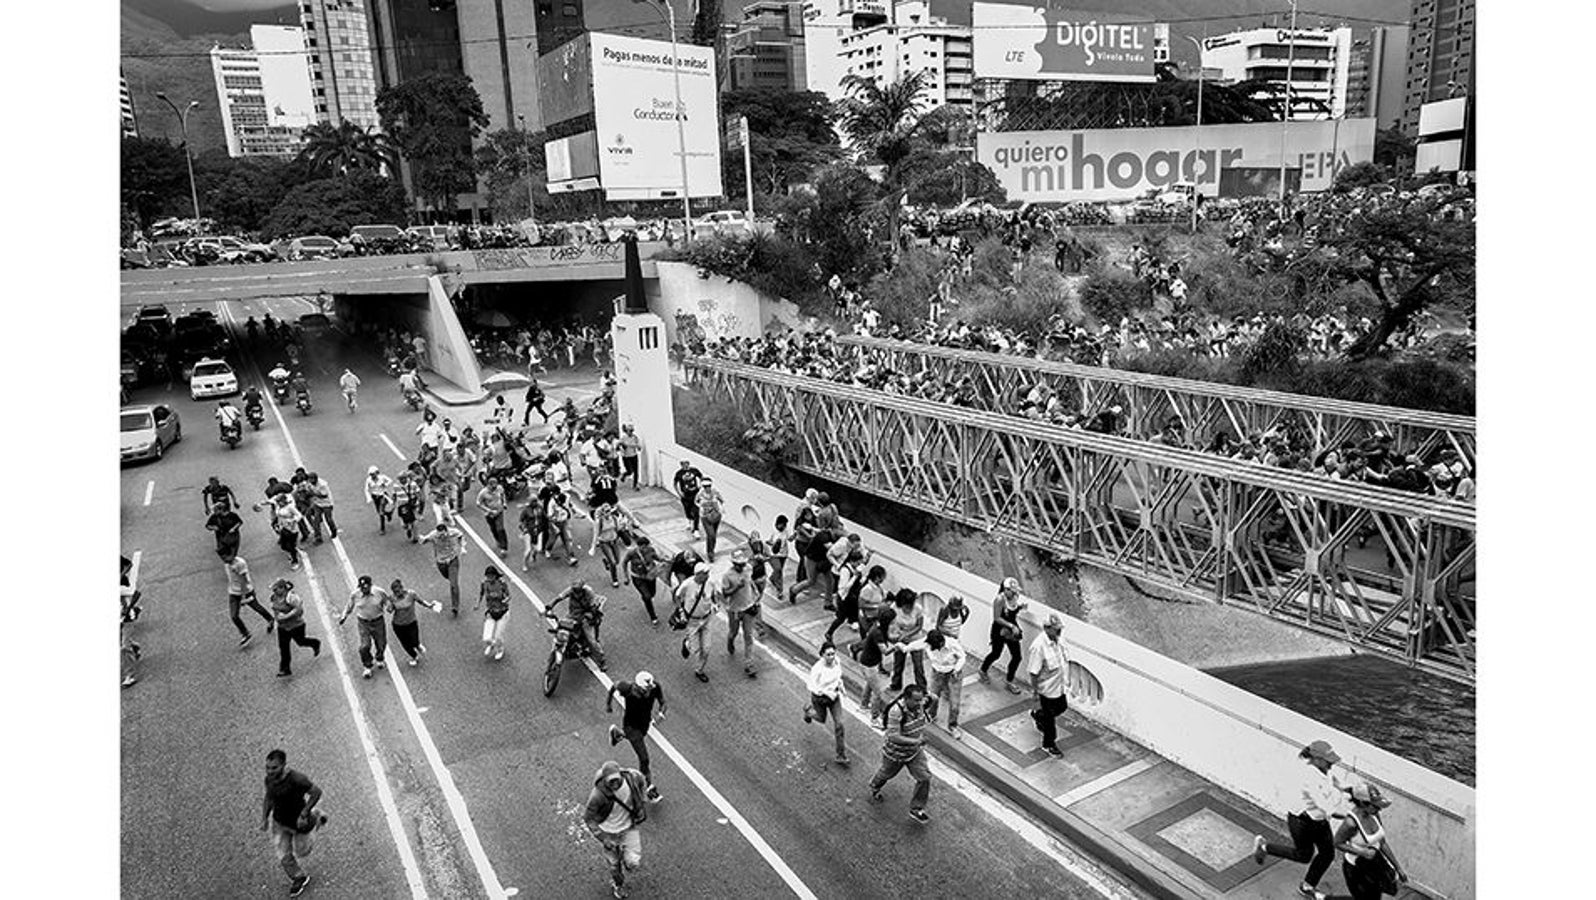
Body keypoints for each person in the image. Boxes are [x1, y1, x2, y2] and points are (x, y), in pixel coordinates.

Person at [1252, 739, 1351, 900]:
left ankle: (1307, 887)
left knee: (1327, 854)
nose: (1332, 764)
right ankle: (1265, 847)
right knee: (1304, 855)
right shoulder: (1310, 778)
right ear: (1317, 759)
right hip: (1302, 823)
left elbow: (1337, 782)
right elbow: (1328, 808)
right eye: (1329, 761)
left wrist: (1353, 790)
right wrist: (1351, 816)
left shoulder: (1325, 770)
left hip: (1318, 821)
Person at [261, 749, 325, 897]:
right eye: (268, 767)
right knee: (283, 855)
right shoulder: (269, 780)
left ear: (284, 765)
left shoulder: (297, 779)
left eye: (274, 768)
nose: (270, 771)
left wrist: (305, 813)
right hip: (279, 823)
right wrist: (264, 818)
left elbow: (316, 792)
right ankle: (298, 877)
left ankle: (316, 818)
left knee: (303, 851)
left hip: (300, 823)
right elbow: (269, 798)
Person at [583, 760, 650, 900]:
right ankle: (618, 885)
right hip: (609, 834)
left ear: (621, 775)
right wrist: (602, 838)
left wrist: (642, 801)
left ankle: (628, 862)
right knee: (614, 865)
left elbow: (643, 781)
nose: (614, 784)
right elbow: (589, 818)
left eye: (616, 780)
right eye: (610, 782)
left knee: (633, 862)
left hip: (628, 827)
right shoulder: (597, 795)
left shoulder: (632, 777)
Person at [868, 683, 932, 823]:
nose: (920, 703)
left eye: (921, 700)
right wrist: (916, 741)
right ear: (906, 698)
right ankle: (875, 785)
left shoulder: (920, 704)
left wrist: (934, 699)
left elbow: (933, 698)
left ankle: (916, 809)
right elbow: (893, 736)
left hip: (914, 753)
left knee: (924, 778)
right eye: (916, 700)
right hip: (895, 754)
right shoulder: (896, 712)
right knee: (886, 773)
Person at [1334, 783, 1408, 900]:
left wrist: (1398, 867)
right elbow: (1337, 843)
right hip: (1355, 869)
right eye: (1376, 806)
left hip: (1374, 865)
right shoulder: (1350, 823)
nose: (1379, 809)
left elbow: (1382, 843)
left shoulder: (1374, 814)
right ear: (1363, 803)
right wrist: (1362, 853)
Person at [605, 672, 667, 802]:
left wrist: (661, 713)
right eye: (645, 690)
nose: (648, 692)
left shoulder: (655, 687)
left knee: (637, 738)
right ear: (637, 687)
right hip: (631, 726)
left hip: (644, 724)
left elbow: (662, 702)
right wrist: (608, 703)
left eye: (650, 689)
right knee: (644, 759)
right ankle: (648, 787)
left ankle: (617, 734)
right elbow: (614, 686)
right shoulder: (627, 688)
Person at [1027, 613, 1070, 758]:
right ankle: (1049, 744)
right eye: (1056, 629)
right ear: (1046, 628)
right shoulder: (1038, 647)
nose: (1059, 632)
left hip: (1058, 687)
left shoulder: (1059, 640)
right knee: (1050, 723)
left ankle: (1039, 716)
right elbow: (1033, 672)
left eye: (1059, 629)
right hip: (1045, 691)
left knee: (1062, 707)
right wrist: (1035, 693)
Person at [801, 641, 850, 765]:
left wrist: (841, 686)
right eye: (828, 655)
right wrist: (826, 692)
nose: (831, 657)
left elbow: (838, 676)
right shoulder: (817, 669)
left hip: (835, 698)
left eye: (833, 654)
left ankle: (841, 755)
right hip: (820, 699)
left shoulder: (837, 661)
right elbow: (811, 686)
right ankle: (808, 712)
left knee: (839, 724)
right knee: (821, 719)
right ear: (822, 655)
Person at [978, 577, 1027, 694]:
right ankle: (983, 669)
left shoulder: (1015, 597)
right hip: (999, 630)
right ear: (1006, 590)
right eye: (1012, 591)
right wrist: (1011, 626)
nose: (1015, 594)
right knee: (996, 653)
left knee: (1017, 657)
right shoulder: (999, 600)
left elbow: (1012, 611)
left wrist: (1019, 608)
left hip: (1011, 630)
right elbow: (997, 618)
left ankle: (1009, 681)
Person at [338, 575, 392, 679]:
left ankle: (379, 658)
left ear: (371, 585)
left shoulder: (379, 592)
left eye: (366, 587)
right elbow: (349, 606)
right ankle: (367, 666)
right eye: (362, 588)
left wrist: (389, 607)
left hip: (378, 621)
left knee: (381, 643)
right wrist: (344, 616)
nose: (363, 590)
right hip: (363, 623)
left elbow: (387, 601)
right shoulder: (355, 595)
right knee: (364, 646)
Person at [547, 580, 607, 671]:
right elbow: (559, 598)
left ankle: (601, 660)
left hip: (585, 617)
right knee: (561, 629)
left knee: (591, 640)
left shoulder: (589, 593)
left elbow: (594, 607)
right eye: (574, 590)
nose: (576, 593)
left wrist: (589, 615)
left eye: (578, 591)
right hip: (572, 615)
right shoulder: (570, 590)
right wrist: (550, 605)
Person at [673, 563, 718, 682]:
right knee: (695, 650)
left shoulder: (710, 582)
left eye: (708, 573)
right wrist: (681, 611)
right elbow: (677, 596)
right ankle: (687, 643)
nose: (708, 575)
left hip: (707, 619)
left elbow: (714, 595)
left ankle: (699, 670)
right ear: (698, 574)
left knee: (707, 649)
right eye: (705, 573)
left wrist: (715, 604)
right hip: (692, 621)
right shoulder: (687, 584)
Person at [269, 578, 321, 677]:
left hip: (296, 626)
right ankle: (285, 669)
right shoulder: (273, 597)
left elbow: (299, 611)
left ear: (282, 588)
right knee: (284, 648)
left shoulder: (291, 598)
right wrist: (278, 619)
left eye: (275, 589)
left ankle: (315, 643)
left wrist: (286, 616)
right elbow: (275, 610)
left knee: (301, 642)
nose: (274, 591)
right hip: (283, 628)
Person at [720, 549, 761, 678]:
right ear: (733, 563)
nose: (741, 566)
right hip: (735, 610)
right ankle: (730, 641)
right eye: (739, 564)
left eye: (743, 563)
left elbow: (750, 581)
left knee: (748, 636)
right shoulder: (727, 575)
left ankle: (749, 664)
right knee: (734, 632)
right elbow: (725, 593)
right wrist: (736, 587)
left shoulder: (748, 568)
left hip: (748, 607)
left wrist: (755, 594)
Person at [223, 554, 273, 648]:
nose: (225, 559)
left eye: (226, 557)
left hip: (246, 591)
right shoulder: (227, 563)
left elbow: (244, 581)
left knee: (256, 607)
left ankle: (270, 619)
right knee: (234, 616)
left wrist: (243, 597)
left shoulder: (240, 564)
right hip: (233, 592)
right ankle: (245, 633)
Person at [419, 518, 467, 615]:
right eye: (440, 535)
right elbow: (424, 540)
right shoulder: (433, 535)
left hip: (452, 560)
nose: (442, 537)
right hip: (441, 562)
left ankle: (455, 607)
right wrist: (422, 539)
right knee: (448, 577)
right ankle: (451, 579)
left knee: (454, 584)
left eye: (443, 534)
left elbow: (461, 536)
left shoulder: (454, 532)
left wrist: (462, 547)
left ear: (446, 530)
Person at [923, 630, 965, 739]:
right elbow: (918, 646)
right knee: (932, 697)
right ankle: (931, 716)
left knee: (954, 703)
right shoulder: (929, 644)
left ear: (941, 643)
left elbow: (962, 657)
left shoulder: (952, 644)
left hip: (952, 674)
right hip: (937, 673)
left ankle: (952, 726)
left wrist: (956, 670)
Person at [387, 578, 439, 666]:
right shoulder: (392, 598)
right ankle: (414, 656)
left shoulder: (411, 594)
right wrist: (390, 606)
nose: (397, 593)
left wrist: (429, 605)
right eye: (395, 592)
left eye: (398, 591)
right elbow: (390, 610)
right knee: (405, 643)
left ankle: (417, 645)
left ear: (402, 588)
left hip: (411, 622)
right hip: (398, 625)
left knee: (414, 641)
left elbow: (420, 601)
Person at [619, 536, 665, 626]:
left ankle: (646, 598)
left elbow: (656, 557)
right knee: (647, 596)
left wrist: (664, 559)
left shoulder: (651, 549)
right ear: (641, 546)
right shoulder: (631, 553)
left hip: (651, 575)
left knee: (652, 594)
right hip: (638, 577)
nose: (647, 548)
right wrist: (626, 577)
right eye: (646, 546)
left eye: (648, 546)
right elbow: (624, 563)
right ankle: (653, 616)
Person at [887, 589, 927, 691]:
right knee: (898, 663)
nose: (909, 608)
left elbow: (919, 626)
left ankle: (922, 687)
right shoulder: (894, 608)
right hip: (900, 637)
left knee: (918, 666)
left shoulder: (918, 609)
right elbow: (891, 623)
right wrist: (896, 635)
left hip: (915, 638)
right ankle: (896, 683)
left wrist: (907, 634)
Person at [475, 565, 512, 660]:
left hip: (502, 613)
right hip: (491, 613)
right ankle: (491, 645)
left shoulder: (502, 583)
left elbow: (509, 595)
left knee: (498, 636)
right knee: (486, 637)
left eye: (491, 576)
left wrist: (506, 600)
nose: (489, 578)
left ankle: (500, 650)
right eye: (488, 576)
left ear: (495, 576)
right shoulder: (484, 583)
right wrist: (477, 604)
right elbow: (481, 594)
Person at [589, 502, 627, 588]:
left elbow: (618, 529)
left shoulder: (614, 518)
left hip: (614, 541)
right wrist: (593, 547)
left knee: (617, 561)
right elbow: (596, 534)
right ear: (602, 512)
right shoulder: (600, 521)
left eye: (609, 510)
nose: (608, 513)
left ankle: (607, 563)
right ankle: (615, 579)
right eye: (606, 511)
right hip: (604, 543)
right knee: (613, 563)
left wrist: (623, 524)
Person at [476, 476, 510, 556]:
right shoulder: (483, 493)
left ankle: (504, 548)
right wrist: (488, 510)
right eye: (493, 487)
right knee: (493, 529)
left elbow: (502, 495)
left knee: (500, 529)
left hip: (499, 511)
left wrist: (504, 503)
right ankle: (498, 540)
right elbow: (478, 504)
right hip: (489, 513)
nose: (494, 489)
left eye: (496, 487)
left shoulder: (499, 488)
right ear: (488, 485)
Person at [695, 476, 726, 559]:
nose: (707, 488)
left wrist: (720, 509)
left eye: (709, 486)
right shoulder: (700, 494)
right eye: (705, 486)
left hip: (716, 515)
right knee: (710, 534)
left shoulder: (715, 492)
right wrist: (703, 507)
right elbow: (696, 502)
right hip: (705, 516)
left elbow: (722, 500)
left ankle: (712, 549)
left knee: (714, 534)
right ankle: (710, 552)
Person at [672, 459, 703, 536]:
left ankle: (696, 529)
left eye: (686, 463)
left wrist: (700, 487)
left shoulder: (694, 470)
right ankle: (689, 520)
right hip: (685, 495)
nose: (685, 465)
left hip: (695, 494)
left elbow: (701, 477)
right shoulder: (679, 473)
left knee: (696, 512)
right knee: (687, 510)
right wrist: (679, 493)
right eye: (683, 464)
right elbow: (675, 483)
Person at [305, 473, 338, 543]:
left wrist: (313, 493)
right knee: (316, 520)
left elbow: (324, 495)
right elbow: (308, 490)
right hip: (317, 504)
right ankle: (318, 537)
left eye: (312, 479)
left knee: (328, 519)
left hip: (327, 504)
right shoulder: (309, 483)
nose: (311, 481)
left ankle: (333, 530)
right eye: (310, 479)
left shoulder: (322, 484)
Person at [364, 466, 395, 534]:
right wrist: (368, 498)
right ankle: (388, 514)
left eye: (373, 474)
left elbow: (390, 480)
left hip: (382, 496)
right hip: (375, 497)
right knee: (379, 511)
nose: (372, 476)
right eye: (371, 474)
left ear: (377, 473)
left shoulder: (382, 477)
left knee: (381, 513)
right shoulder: (368, 480)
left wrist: (385, 484)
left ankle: (382, 528)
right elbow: (366, 489)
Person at [618, 425, 642, 490]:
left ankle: (635, 485)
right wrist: (622, 446)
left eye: (631, 431)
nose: (630, 432)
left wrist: (638, 447)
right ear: (627, 431)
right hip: (626, 456)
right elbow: (619, 445)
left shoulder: (635, 438)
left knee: (636, 471)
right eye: (629, 431)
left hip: (633, 455)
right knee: (630, 471)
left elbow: (639, 446)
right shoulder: (623, 438)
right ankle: (624, 475)